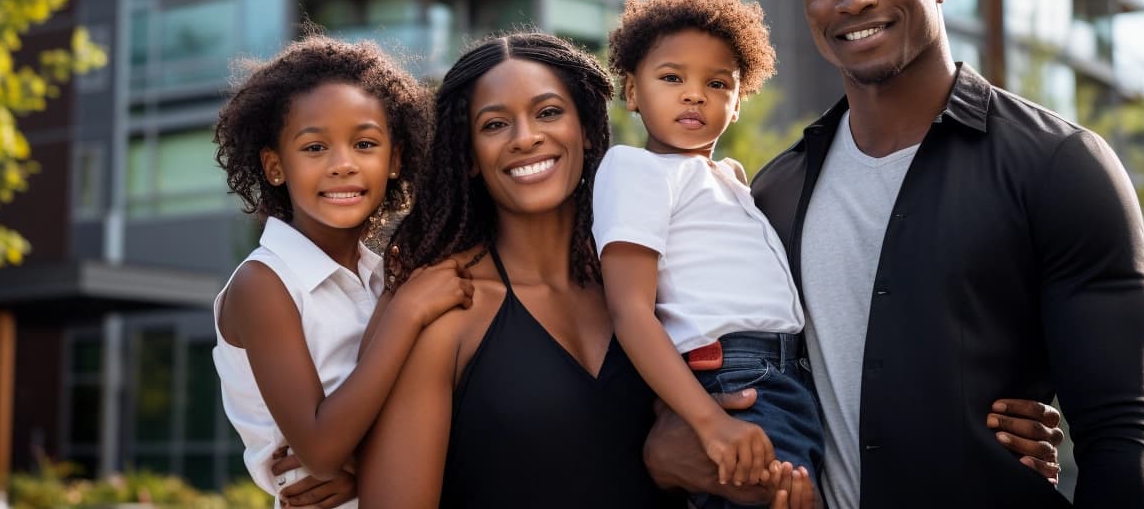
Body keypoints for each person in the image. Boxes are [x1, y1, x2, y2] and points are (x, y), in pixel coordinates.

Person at [647, 0, 1144, 508]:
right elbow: (680, 333)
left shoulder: (1059, 165)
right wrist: (663, 445)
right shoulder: (772, 195)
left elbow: (1118, 437)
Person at [358, 32, 814, 509]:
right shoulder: (446, 309)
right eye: (494, 124)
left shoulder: (655, 289)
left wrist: (673, 460)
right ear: (469, 155)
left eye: (549, 112)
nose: (526, 137)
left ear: (590, 129)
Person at [212, 35, 474, 509]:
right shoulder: (264, 283)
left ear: (395, 160)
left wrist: (360, 472)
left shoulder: (383, 273)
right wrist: (407, 311)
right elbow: (320, 446)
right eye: (314, 148)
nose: (343, 165)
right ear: (274, 165)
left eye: (366, 143)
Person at [594, 0, 821, 509]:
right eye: (671, 78)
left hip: (792, 382)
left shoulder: (732, 178)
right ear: (631, 91)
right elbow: (630, 311)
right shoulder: (636, 168)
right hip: (732, 381)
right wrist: (709, 422)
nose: (694, 94)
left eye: (717, 83)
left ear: (738, 102)